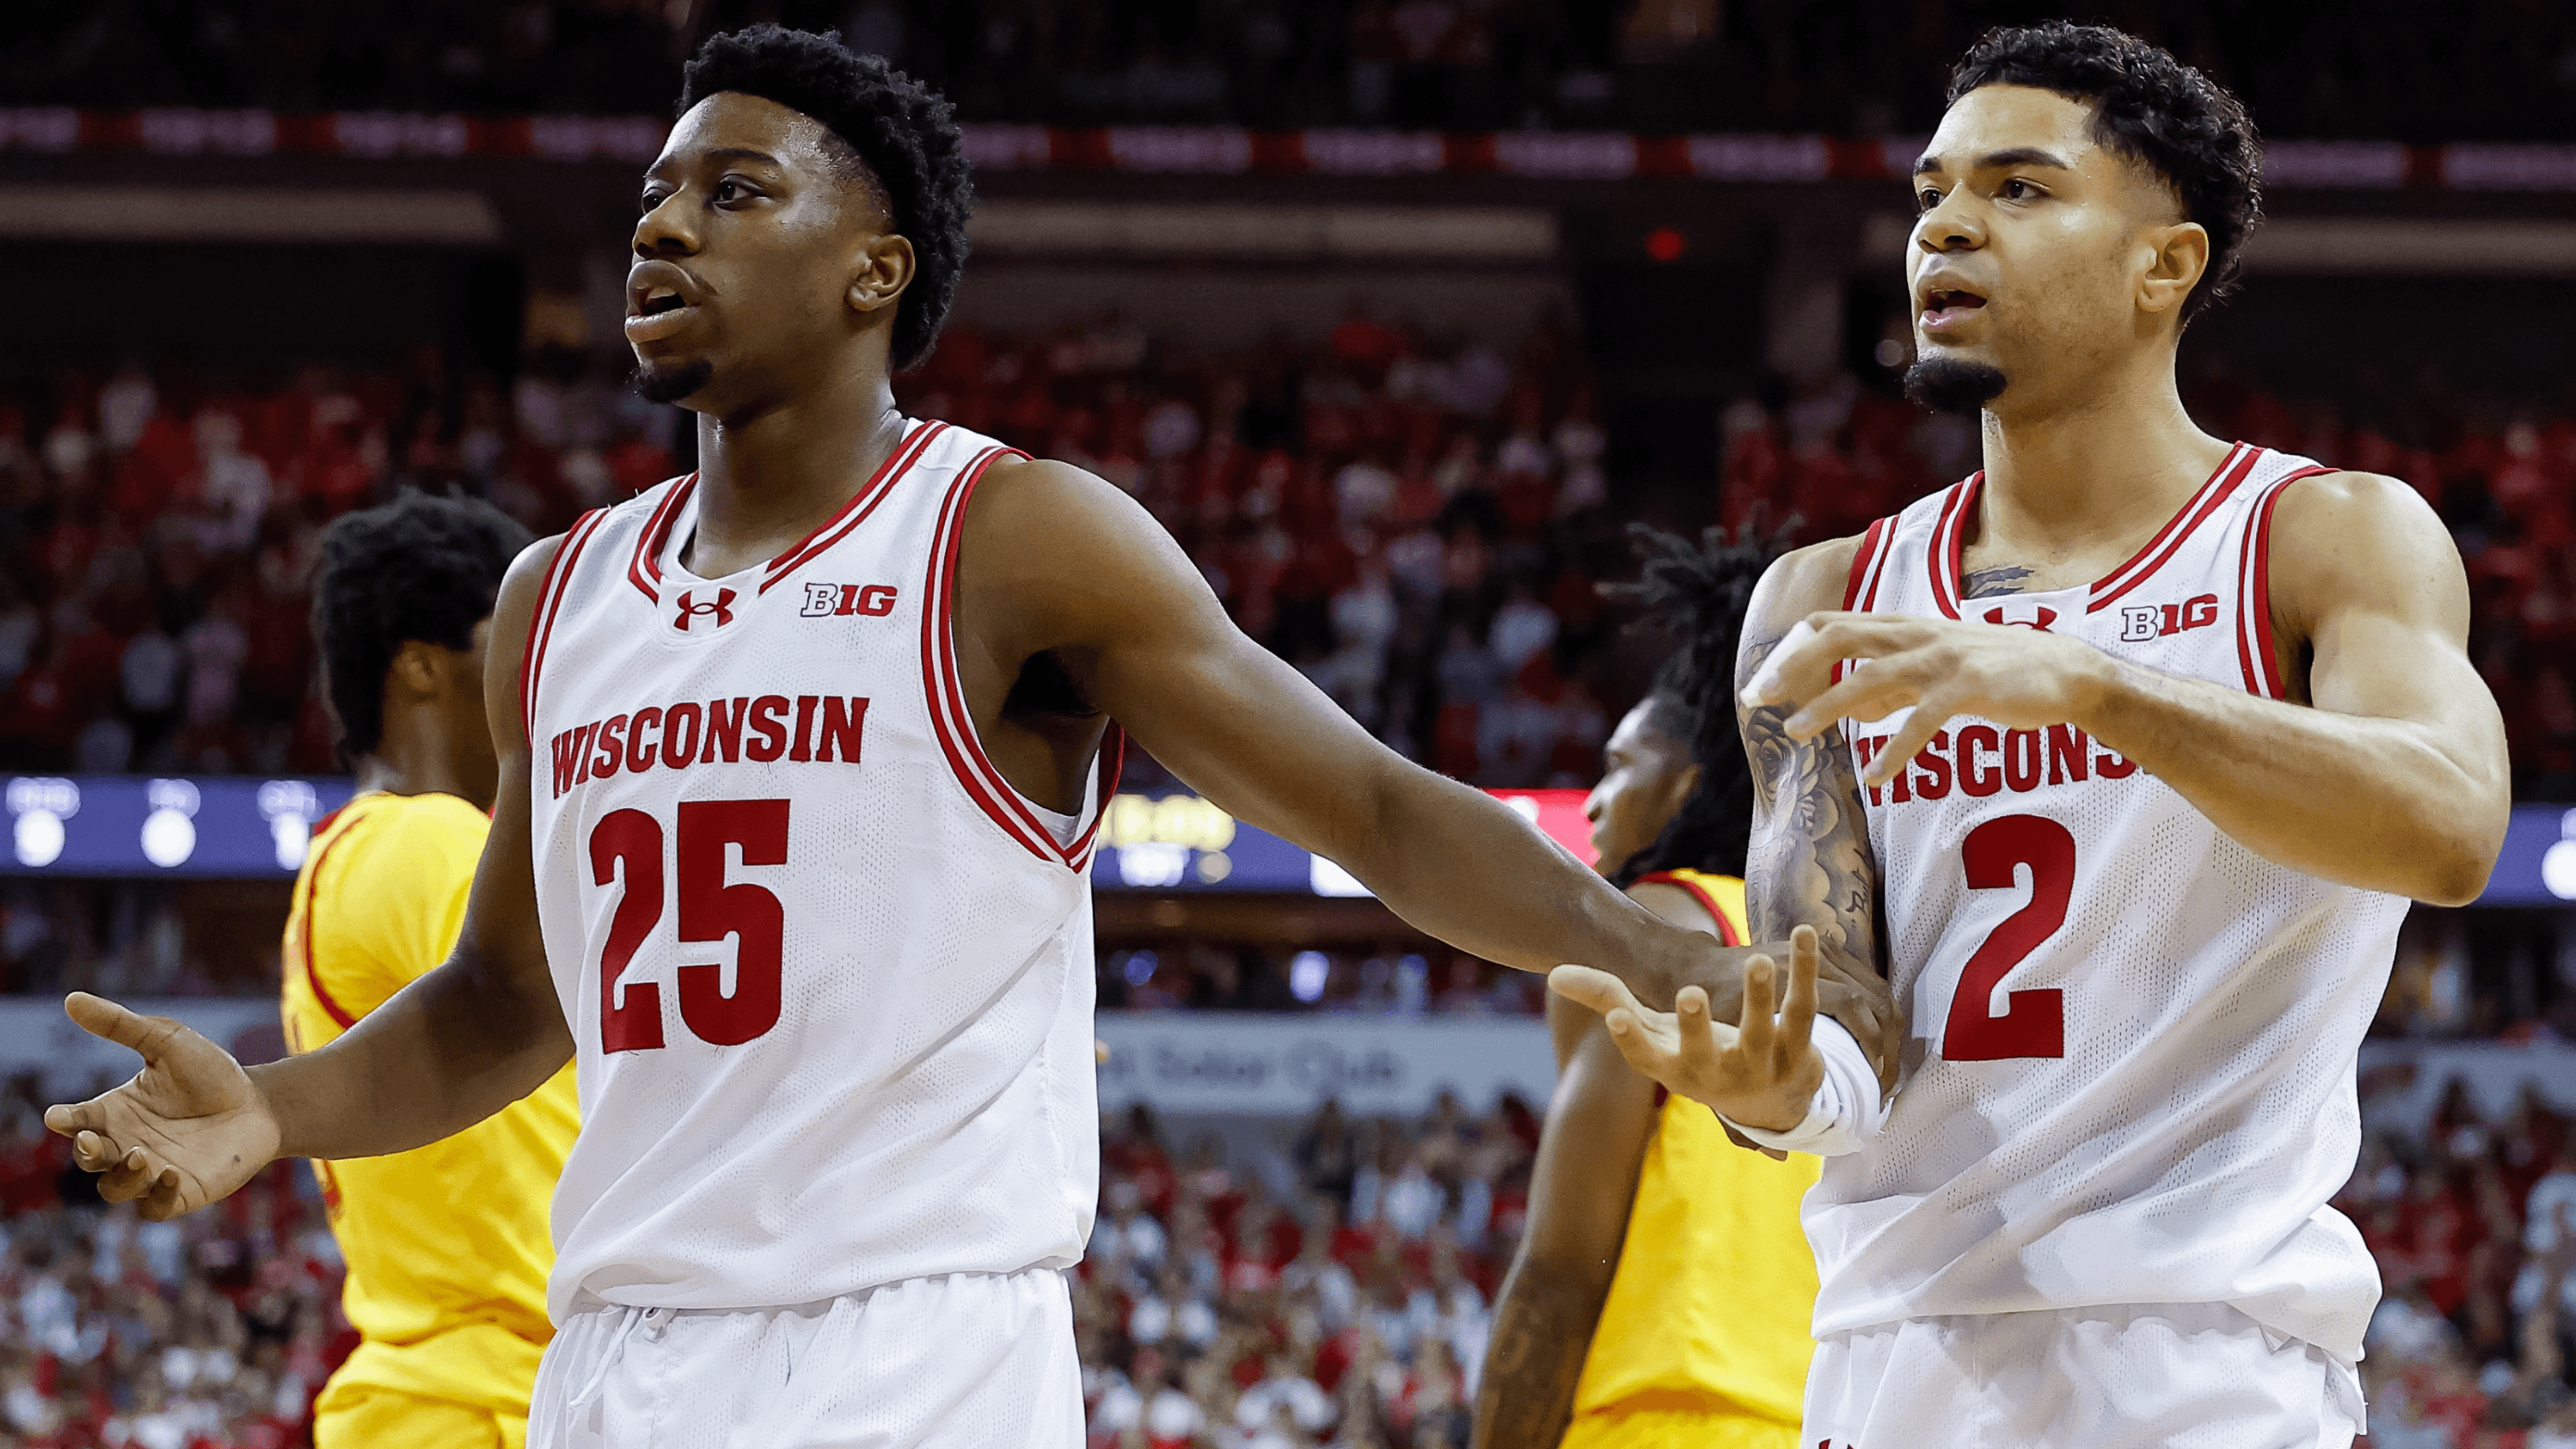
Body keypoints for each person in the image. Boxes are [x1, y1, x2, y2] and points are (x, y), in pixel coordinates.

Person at [43, 27, 1897, 1449]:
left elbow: (1378, 811)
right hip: (612, 1355)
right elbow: (506, 1003)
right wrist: (274, 1113)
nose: (665, 223)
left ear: (877, 270)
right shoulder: (556, 596)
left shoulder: (1011, 537)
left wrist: (1666, 948)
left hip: (915, 1348)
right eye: (653, 200)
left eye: (736, 191)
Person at [1556, 22, 2512, 1449]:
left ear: (2163, 266)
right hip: (1889, 1359)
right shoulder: (1820, 598)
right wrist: (1782, 1086)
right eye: (1934, 192)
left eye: (2018, 189)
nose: (1945, 226)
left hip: (2206, 1362)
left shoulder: (2317, 539)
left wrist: (2090, 687)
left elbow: (2447, 824)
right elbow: (1839, 996)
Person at [1477, 526, 1816, 1449]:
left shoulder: (1661, 926)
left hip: (1672, 1412)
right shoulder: (1850, 947)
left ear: (1687, 786)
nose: (1591, 800)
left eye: (1619, 765)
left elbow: (1559, 1268)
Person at [285, 492, 577, 1449]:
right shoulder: (426, 838)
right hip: (485, 1401)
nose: (545, 674)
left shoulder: (358, 852)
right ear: (419, 664)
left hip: (458, 1396)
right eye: (513, 641)